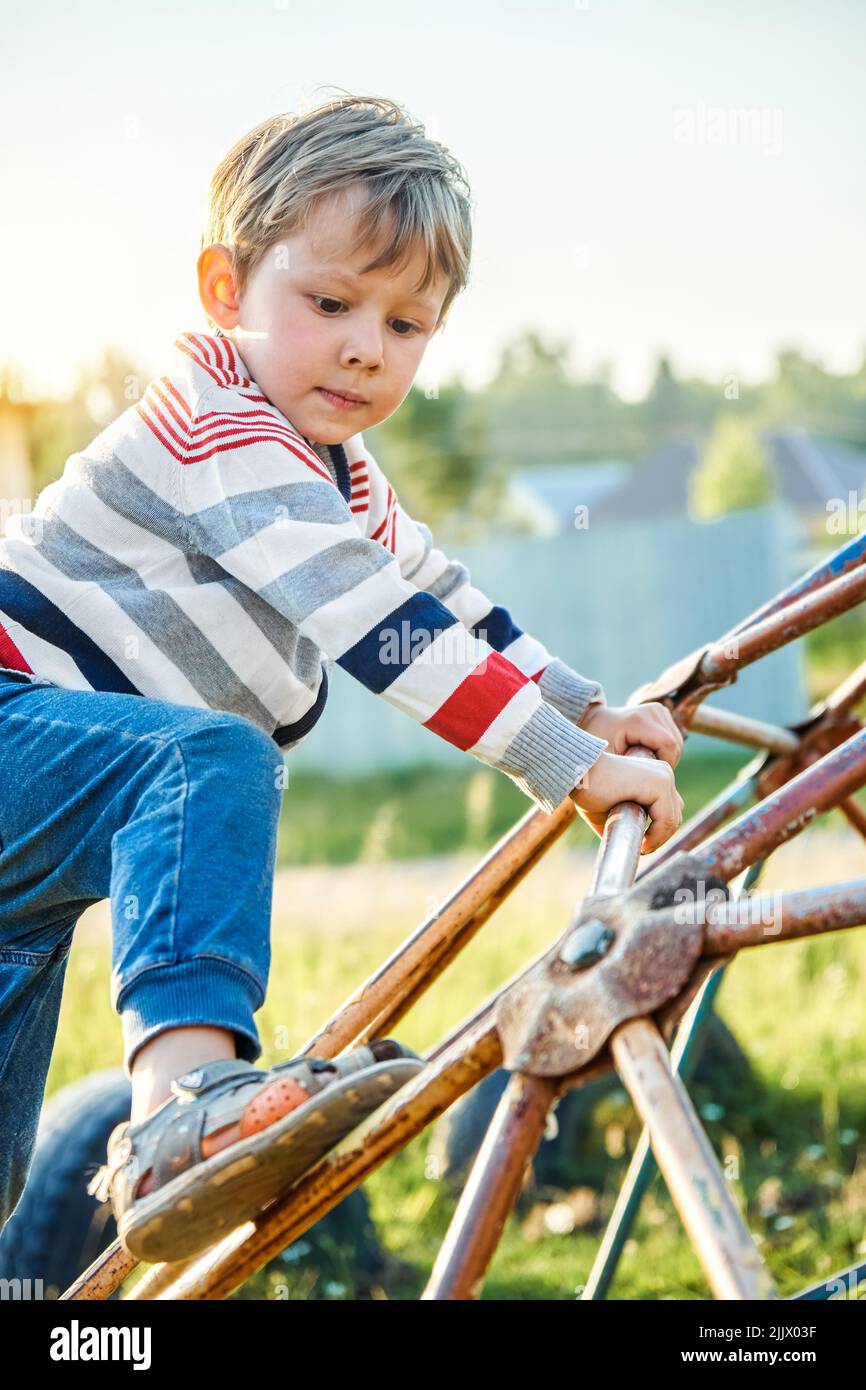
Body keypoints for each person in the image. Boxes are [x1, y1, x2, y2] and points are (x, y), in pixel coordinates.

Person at [0, 94, 683, 1265]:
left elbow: (441, 596)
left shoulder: (340, 476)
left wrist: (581, 705)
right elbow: (380, 628)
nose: (367, 345)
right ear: (226, 292)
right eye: (328, 304)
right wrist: (565, 767)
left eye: (405, 323)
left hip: (30, 871)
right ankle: (182, 1107)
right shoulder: (216, 428)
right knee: (201, 755)